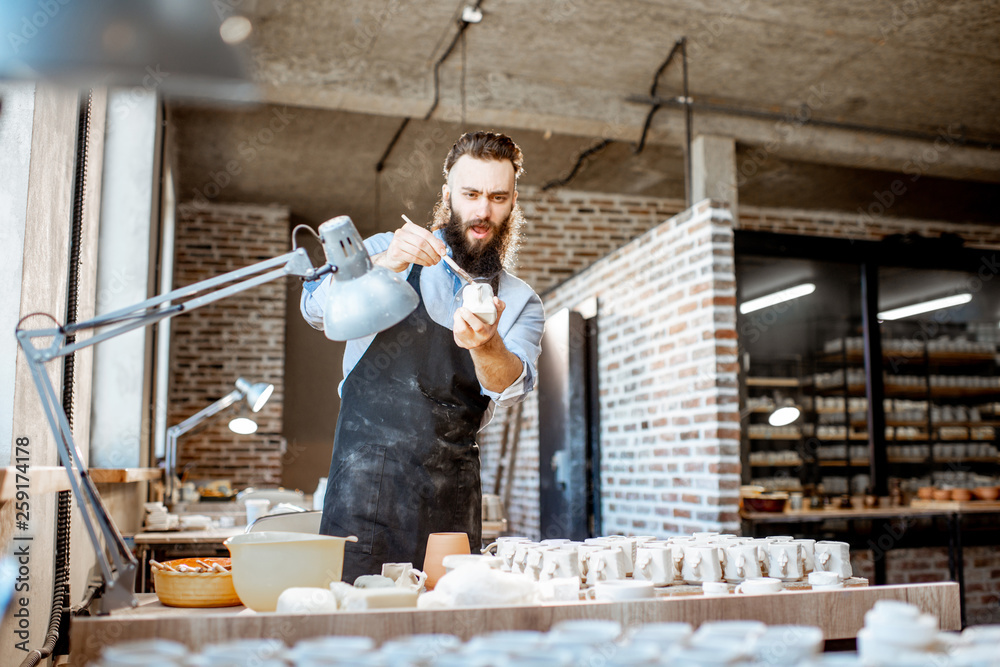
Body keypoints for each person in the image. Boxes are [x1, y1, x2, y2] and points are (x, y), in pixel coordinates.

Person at [300, 131, 544, 582]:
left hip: (452, 503)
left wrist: (487, 343)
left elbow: (510, 388)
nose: (482, 212)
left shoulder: (520, 300)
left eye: (497, 197)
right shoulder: (383, 251)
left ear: (513, 203)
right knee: (360, 638)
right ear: (447, 194)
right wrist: (385, 268)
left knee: (449, 633)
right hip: (363, 497)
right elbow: (317, 309)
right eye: (470, 194)